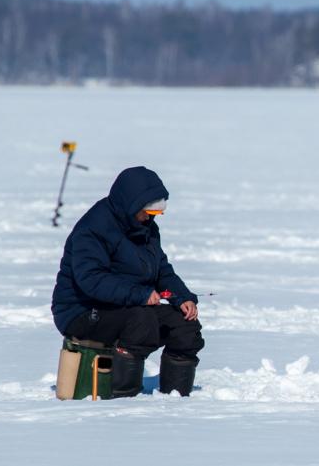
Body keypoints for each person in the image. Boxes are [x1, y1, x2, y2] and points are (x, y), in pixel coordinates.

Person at [51, 166, 205, 398]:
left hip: (127, 306)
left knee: (184, 326)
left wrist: (182, 298)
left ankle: (176, 399)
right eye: (147, 212)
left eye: (156, 213)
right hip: (81, 311)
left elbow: (161, 270)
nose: (150, 218)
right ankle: (124, 400)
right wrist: (141, 295)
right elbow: (91, 279)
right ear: (131, 204)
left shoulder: (146, 228)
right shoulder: (93, 229)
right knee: (141, 322)